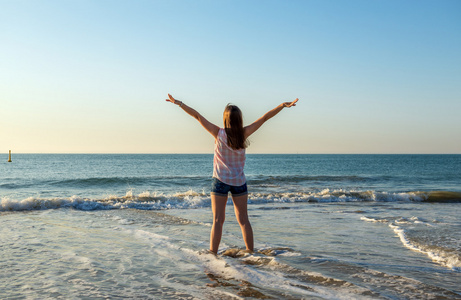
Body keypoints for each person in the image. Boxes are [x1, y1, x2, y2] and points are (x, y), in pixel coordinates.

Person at [166, 94, 298, 254]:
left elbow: (197, 116)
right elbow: (264, 118)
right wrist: (282, 106)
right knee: (243, 220)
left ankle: (213, 255)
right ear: (239, 119)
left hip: (220, 180)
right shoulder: (244, 133)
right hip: (239, 182)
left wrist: (179, 103)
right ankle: (251, 253)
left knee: (217, 220)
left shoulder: (218, 133)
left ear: (225, 119)